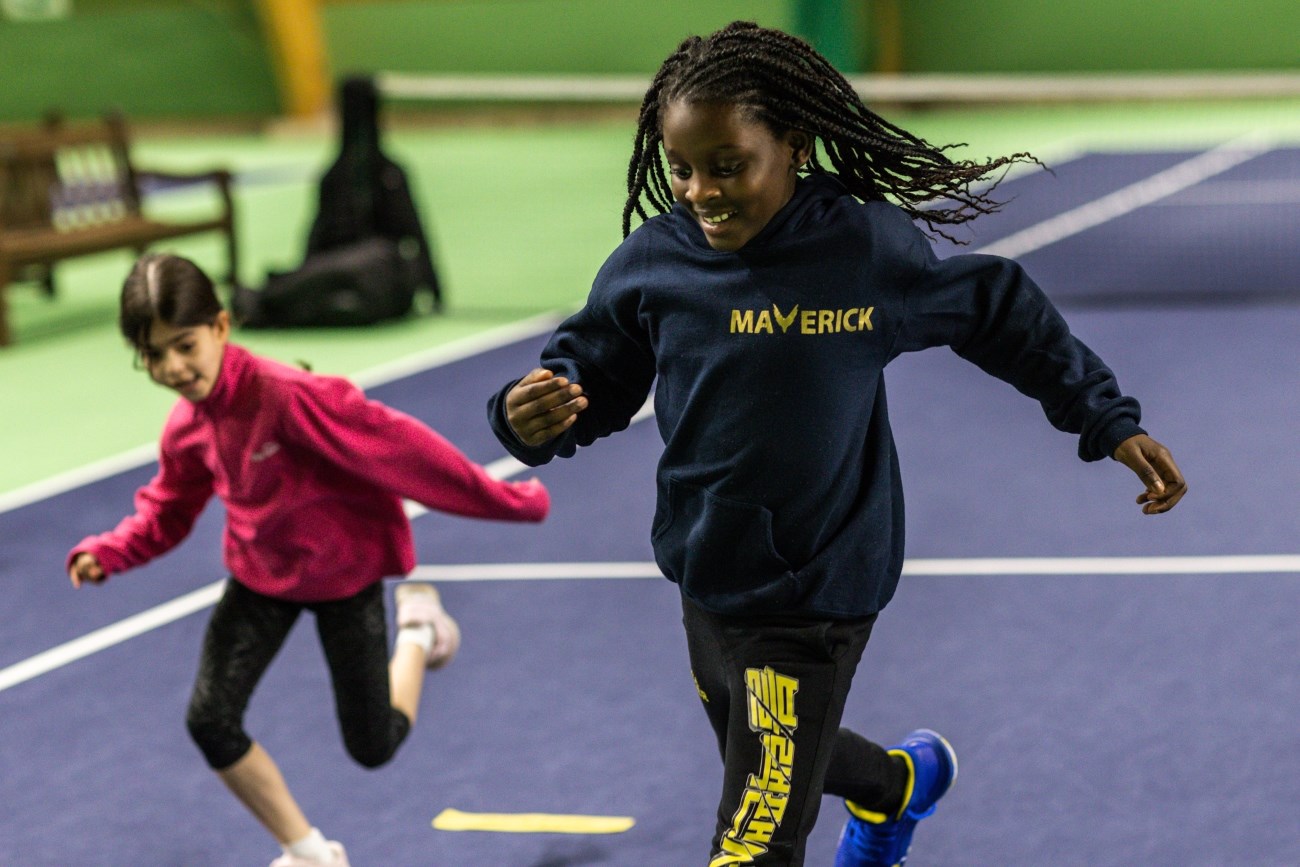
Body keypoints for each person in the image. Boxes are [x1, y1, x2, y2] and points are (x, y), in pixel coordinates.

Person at [486, 21, 1186, 867]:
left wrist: (1105, 416)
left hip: (816, 590)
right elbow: (587, 377)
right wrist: (528, 416)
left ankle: (882, 797)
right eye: (682, 169)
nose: (701, 189)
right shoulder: (651, 265)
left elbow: (996, 305)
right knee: (777, 757)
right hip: (708, 571)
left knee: (751, 844)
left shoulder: (862, 252)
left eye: (727, 164)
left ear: (792, 145)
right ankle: (898, 786)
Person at [67, 253, 549, 867]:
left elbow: (405, 452)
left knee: (374, 747)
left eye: (183, 345)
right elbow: (167, 509)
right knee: (210, 720)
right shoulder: (187, 427)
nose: (172, 368)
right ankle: (310, 853)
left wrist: (509, 500)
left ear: (219, 327)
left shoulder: (290, 397)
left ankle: (420, 633)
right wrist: (108, 552)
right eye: (153, 356)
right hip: (260, 579)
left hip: (344, 578)